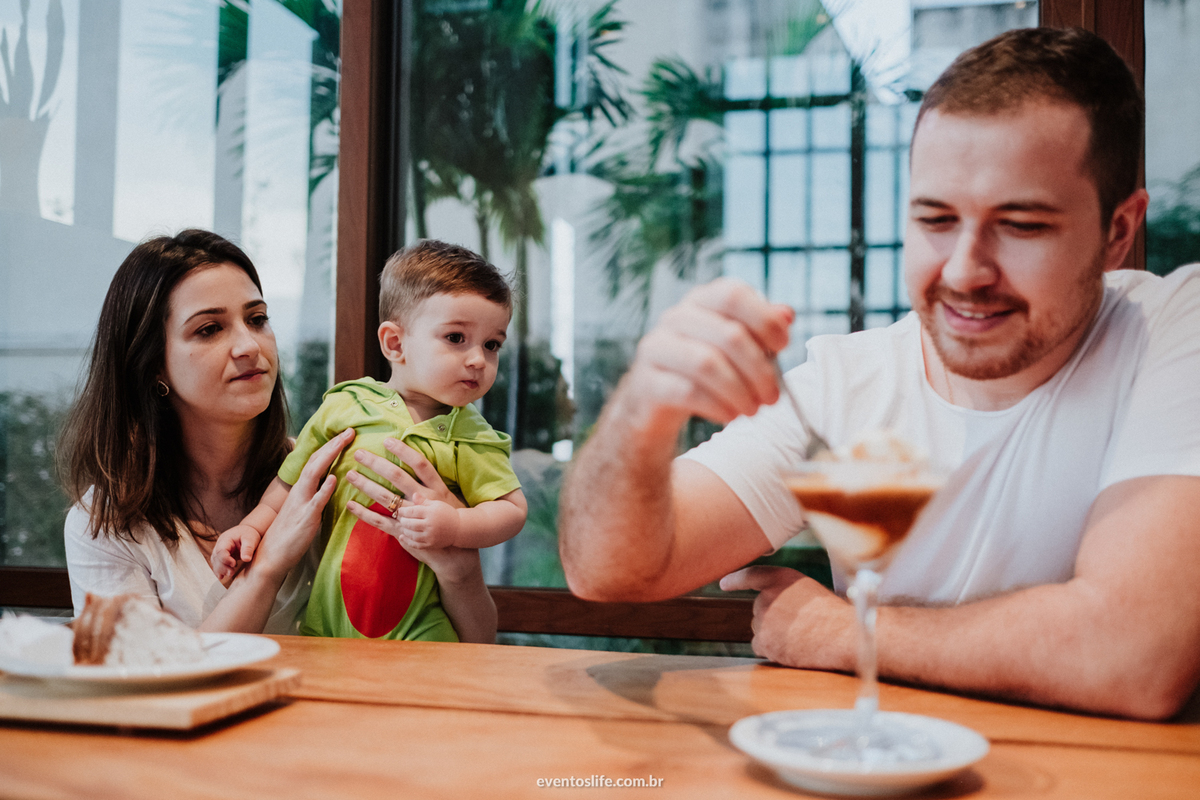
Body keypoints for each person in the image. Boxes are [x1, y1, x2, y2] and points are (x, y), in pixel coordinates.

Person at [559, 27, 1200, 720]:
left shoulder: (1171, 330)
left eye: (1020, 226)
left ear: (1117, 231)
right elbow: (611, 569)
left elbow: (1135, 656)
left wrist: (847, 631)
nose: (963, 270)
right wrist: (642, 411)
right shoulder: (844, 386)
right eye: (935, 218)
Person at [61, 230, 498, 641]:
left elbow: (476, 644)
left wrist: (459, 568)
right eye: (209, 329)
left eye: (257, 319)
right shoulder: (104, 524)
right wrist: (268, 568)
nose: (249, 345)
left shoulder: (341, 466)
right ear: (154, 364)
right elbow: (141, 688)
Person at [211, 239, 527, 641]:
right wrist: (253, 528)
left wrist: (456, 525)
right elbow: (290, 482)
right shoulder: (347, 404)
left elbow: (512, 510)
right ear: (395, 343)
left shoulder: (473, 437)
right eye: (455, 338)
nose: (478, 360)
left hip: (423, 628)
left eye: (492, 344)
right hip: (329, 619)